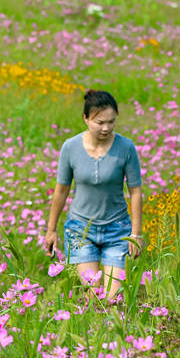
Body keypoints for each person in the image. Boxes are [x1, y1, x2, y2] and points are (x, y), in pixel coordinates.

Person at [44, 90, 143, 301]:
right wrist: (51, 230)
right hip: (81, 231)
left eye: (111, 121)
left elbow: (135, 192)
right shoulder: (70, 148)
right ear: (86, 119)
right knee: (94, 298)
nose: (106, 128)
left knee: (113, 299)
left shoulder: (126, 148)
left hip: (117, 230)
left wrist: (135, 233)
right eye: (100, 122)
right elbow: (61, 191)